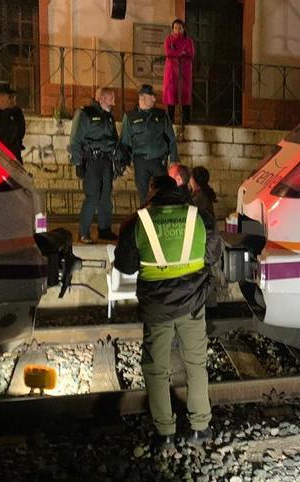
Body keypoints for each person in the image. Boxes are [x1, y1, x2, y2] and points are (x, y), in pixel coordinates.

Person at [114, 175, 221, 456]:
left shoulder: (137, 222)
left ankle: (165, 434)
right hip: (193, 304)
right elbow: (212, 255)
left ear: (152, 193)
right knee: (196, 363)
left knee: (155, 369)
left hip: (157, 308)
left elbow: (125, 266)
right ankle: (200, 426)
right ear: (177, 192)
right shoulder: (201, 218)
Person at [68, 87, 119, 243]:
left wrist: (118, 161)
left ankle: (104, 229)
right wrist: (77, 162)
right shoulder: (85, 113)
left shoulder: (109, 116)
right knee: (92, 196)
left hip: (106, 161)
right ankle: (83, 232)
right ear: (102, 98)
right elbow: (75, 139)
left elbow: (114, 140)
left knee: (106, 196)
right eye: (111, 98)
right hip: (91, 161)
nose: (114, 102)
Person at [119, 84, 181, 206]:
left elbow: (171, 139)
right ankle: (144, 221)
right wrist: (124, 163)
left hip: (159, 160)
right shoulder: (130, 117)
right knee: (143, 195)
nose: (154, 99)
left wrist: (174, 160)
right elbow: (125, 142)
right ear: (141, 97)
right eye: (151, 96)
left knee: (162, 192)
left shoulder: (161, 115)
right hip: (140, 162)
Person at [163, 19, 195, 125]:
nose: (177, 30)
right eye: (175, 28)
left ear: (183, 29)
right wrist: (181, 52)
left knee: (185, 95)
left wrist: (176, 52)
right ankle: (170, 121)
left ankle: (186, 121)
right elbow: (168, 52)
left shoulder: (188, 41)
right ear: (172, 29)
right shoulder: (169, 39)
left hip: (184, 71)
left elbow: (191, 53)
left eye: (179, 28)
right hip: (171, 71)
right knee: (171, 94)